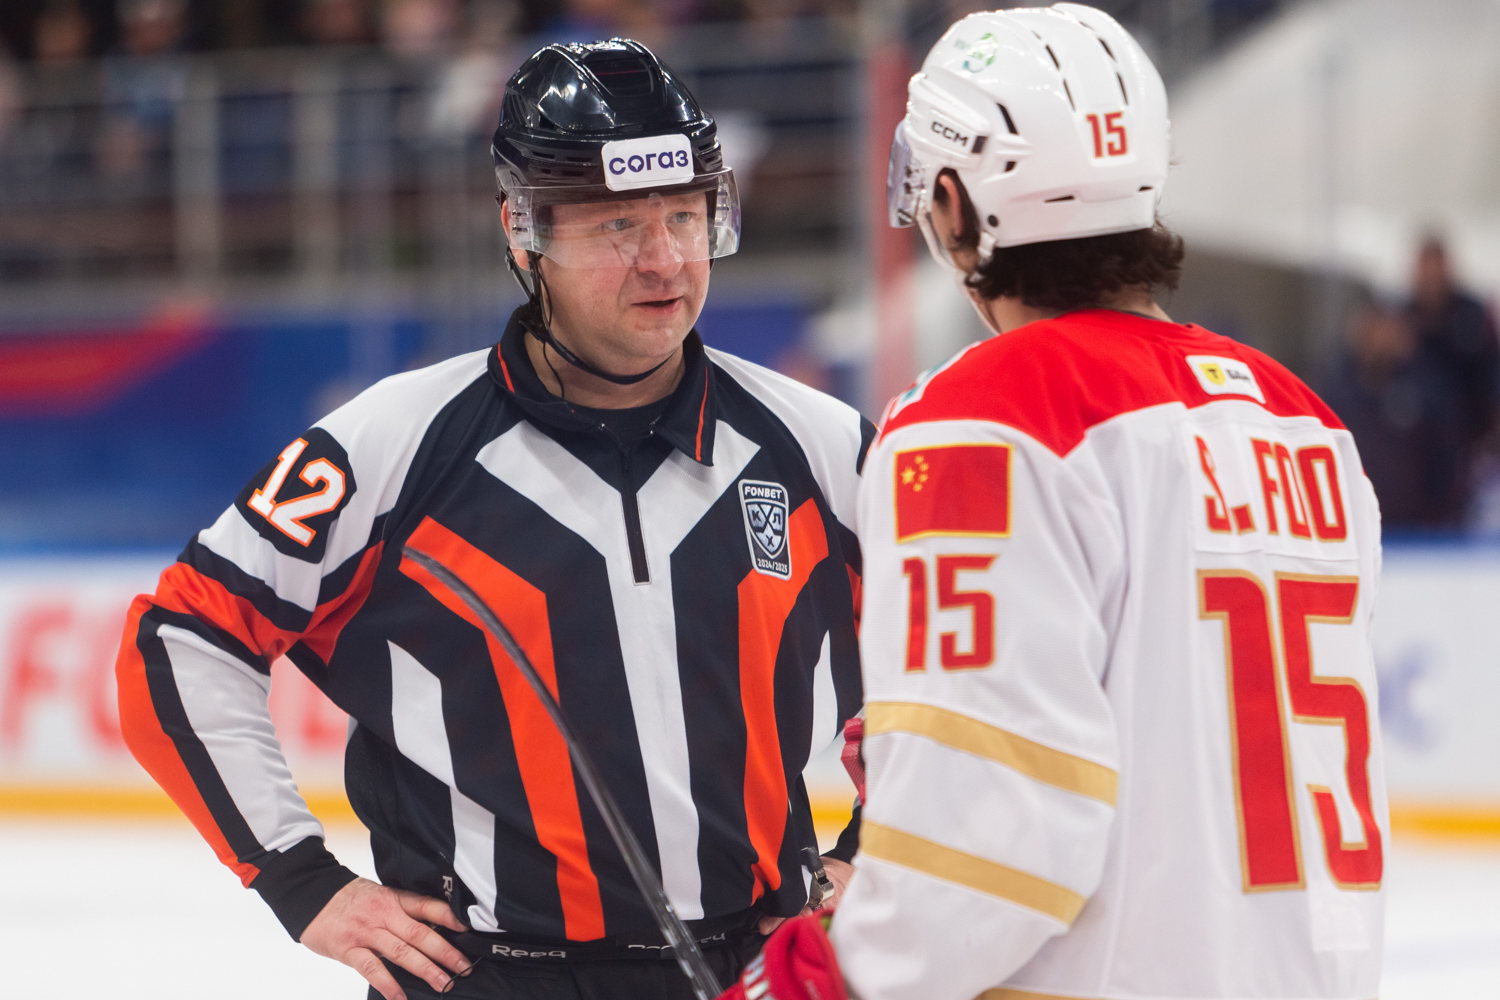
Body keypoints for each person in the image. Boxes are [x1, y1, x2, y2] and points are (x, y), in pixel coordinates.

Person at [117, 38, 869, 1000]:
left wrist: (873, 850)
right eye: (619, 224)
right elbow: (180, 637)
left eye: (685, 216)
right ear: (522, 232)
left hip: (756, 971)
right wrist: (304, 885)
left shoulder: (822, 444)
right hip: (484, 979)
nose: (665, 260)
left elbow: (955, 664)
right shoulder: (388, 445)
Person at [717, 5, 1387, 1000]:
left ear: (953, 204)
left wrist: (816, 977)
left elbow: (990, 834)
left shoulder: (983, 418)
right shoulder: (1306, 423)